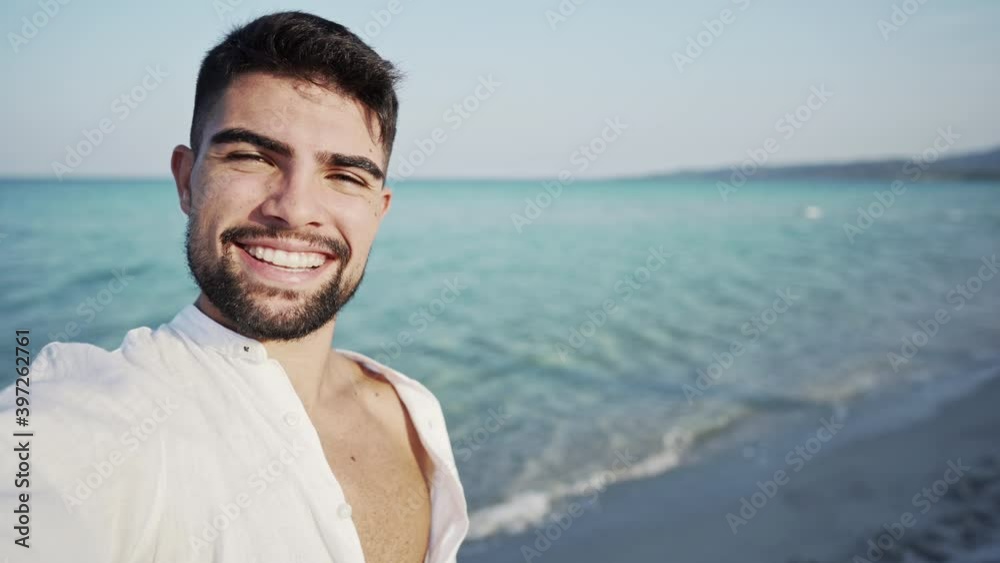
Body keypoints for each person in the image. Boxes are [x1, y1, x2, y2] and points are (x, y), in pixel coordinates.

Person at [0, 11, 468, 563]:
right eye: (252, 157)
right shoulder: (82, 424)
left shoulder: (412, 410)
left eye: (345, 176)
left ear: (378, 211)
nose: (295, 208)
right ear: (186, 180)